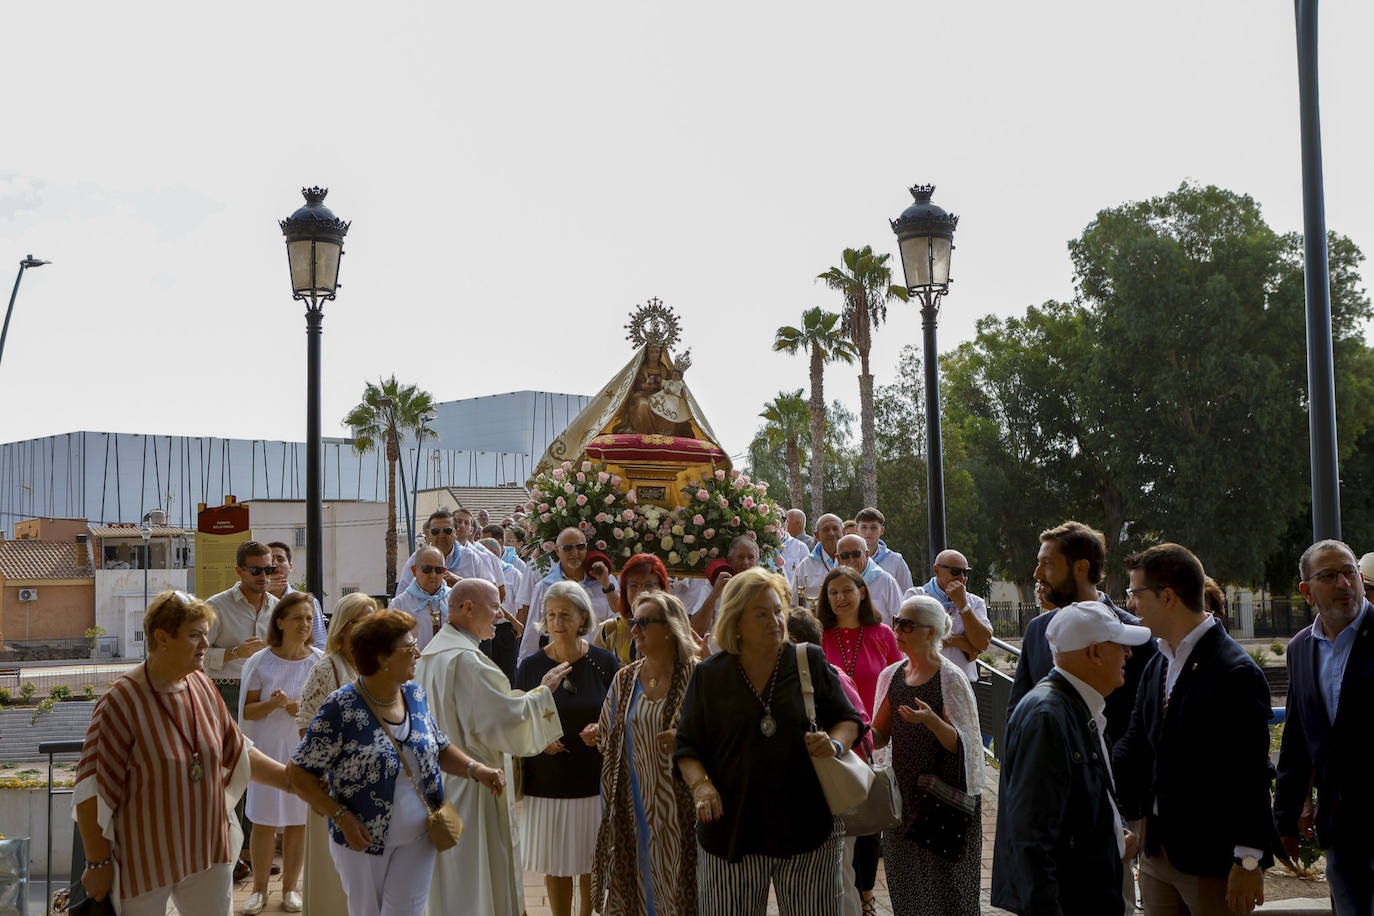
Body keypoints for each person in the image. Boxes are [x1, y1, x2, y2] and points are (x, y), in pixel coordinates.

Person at [73, 590, 294, 916]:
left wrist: (290, 779)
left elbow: (238, 751)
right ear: (162, 638)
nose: (206, 645)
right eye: (195, 636)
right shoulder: (121, 701)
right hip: (143, 859)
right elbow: (92, 789)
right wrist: (98, 863)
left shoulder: (203, 685)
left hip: (207, 851)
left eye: (205, 634)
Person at [288, 609, 505, 916]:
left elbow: (437, 745)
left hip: (420, 835)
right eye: (408, 648)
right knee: (368, 912)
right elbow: (298, 773)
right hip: (364, 840)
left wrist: (476, 770)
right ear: (382, 658)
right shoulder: (341, 707)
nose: (417, 652)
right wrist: (341, 817)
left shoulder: (414, 694)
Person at [674, 567, 864, 915]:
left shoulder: (808, 660)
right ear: (735, 621)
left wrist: (834, 744)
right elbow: (687, 747)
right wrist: (701, 785)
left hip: (807, 828)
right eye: (761, 614)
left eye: (778, 610)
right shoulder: (709, 675)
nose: (775, 621)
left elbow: (849, 720)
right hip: (730, 831)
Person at [1113, 543, 1274, 915]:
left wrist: (1248, 860)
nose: (1132, 604)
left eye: (1135, 593)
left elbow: (1251, 773)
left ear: (1167, 596)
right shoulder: (1158, 661)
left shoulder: (1235, 671)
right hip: (1157, 854)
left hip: (1212, 862)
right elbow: (1134, 746)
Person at [415, 578, 570, 916]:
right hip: (476, 782)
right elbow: (502, 720)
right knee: (478, 872)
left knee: (451, 875)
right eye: (494, 606)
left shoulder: (432, 654)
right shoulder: (468, 662)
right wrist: (543, 691)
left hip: (443, 780)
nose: (500, 614)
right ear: (468, 608)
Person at [991, 600, 1152, 915]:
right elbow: (1032, 841)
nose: (1128, 655)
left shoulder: (1075, 708)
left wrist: (1115, 830)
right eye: (1120, 646)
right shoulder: (1048, 717)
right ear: (1093, 653)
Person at [1277, 539, 1374, 915]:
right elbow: (1297, 739)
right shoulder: (1301, 648)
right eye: (1329, 576)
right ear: (1306, 591)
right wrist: (1285, 817)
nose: (1345, 584)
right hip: (1340, 833)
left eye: (1350, 573)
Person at [872, 595, 985, 915]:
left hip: (944, 800)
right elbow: (880, 736)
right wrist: (860, 729)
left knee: (947, 891)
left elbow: (963, 745)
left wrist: (932, 722)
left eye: (907, 624)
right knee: (907, 888)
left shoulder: (950, 678)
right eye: (897, 622)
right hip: (904, 800)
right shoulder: (892, 676)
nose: (898, 629)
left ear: (932, 632)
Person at [591, 590, 701, 915]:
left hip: (684, 811)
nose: (634, 630)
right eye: (632, 622)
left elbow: (721, 735)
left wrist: (687, 737)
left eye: (643, 623)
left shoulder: (698, 675)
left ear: (668, 628)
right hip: (634, 805)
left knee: (682, 887)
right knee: (638, 887)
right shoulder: (625, 679)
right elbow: (605, 737)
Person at [515, 581, 620, 916]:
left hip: (592, 779)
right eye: (551, 615)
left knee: (591, 862)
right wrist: (540, 739)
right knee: (556, 864)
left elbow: (621, 713)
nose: (557, 622)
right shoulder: (531, 666)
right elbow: (518, 717)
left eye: (565, 615)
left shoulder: (606, 662)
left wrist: (602, 730)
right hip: (547, 781)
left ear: (582, 618)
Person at [1009, 521, 1157, 749]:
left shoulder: (1135, 636)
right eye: (1038, 564)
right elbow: (1016, 712)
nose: (1037, 574)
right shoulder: (1037, 630)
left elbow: (1146, 728)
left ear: (1081, 568)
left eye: (1047, 564)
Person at [238, 592, 323, 913]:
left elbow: (325, 710)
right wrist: (273, 704)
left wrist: (299, 708)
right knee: (263, 822)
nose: (305, 624)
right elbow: (247, 712)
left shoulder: (318, 661)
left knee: (298, 821)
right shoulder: (261, 661)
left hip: (303, 752)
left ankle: (289, 889)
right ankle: (259, 890)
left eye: (309, 619)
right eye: (298, 617)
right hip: (267, 751)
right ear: (280, 622)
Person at [294, 593, 377, 916]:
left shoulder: (378, 665)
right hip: (335, 790)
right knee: (334, 880)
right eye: (361, 621)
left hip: (374, 787)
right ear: (343, 628)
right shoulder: (326, 668)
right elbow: (306, 729)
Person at [788, 606, 875, 916]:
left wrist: (835, 744)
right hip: (798, 800)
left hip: (833, 793)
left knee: (840, 876)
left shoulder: (831, 674)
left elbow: (863, 728)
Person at [204, 539, 278, 879]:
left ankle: (250, 854)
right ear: (239, 571)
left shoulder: (277, 607)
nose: (264, 575)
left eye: (269, 569)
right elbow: (196, 656)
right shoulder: (216, 607)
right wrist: (235, 653)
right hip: (226, 694)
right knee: (230, 773)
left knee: (258, 773)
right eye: (257, 570)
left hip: (263, 700)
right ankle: (228, 854)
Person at [519, 526, 618, 660]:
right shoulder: (544, 587)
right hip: (561, 663)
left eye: (580, 547)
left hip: (601, 663)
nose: (575, 553)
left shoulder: (606, 580)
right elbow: (532, 632)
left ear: (587, 548)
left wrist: (606, 585)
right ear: (557, 551)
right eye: (567, 548)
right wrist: (524, 669)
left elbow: (619, 618)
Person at [906, 548, 992, 681]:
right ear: (936, 570)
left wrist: (963, 605)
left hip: (963, 681)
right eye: (956, 571)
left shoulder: (975, 602)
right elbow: (912, 638)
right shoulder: (916, 596)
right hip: (923, 680)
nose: (961, 577)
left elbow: (983, 643)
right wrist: (959, 641)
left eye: (965, 572)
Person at [597, 552, 670, 663]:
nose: (640, 592)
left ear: (661, 588)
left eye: (648, 585)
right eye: (633, 585)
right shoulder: (609, 630)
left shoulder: (673, 628)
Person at [689, 535, 762, 636]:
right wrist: (715, 594)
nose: (746, 562)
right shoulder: (714, 585)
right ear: (730, 560)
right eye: (740, 557)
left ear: (757, 562)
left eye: (751, 557)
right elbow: (696, 630)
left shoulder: (764, 588)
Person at [266, 541, 327, 650]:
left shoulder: (309, 602)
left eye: (280, 559)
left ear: (290, 567)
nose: (275, 564)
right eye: (270, 561)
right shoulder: (255, 600)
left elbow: (320, 644)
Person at [389, 545, 450, 649]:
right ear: (414, 571)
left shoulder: (455, 599)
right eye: (427, 569)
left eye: (439, 570)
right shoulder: (399, 605)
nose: (433, 575)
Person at [835, 534, 902, 626]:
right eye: (845, 555)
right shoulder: (834, 585)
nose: (851, 559)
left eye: (856, 554)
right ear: (838, 559)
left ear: (867, 554)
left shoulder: (885, 581)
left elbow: (900, 619)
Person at [855, 507, 913, 593]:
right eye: (864, 527)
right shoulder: (847, 558)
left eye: (874, 527)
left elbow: (907, 593)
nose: (868, 532)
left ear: (882, 530)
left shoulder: (895, 560)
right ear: (856, 530)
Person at [792, 513, 844, 606]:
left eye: (835, 529)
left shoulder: (854, 559)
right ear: (817, 535)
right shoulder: (805, 566)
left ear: (843, 532)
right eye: (826, 529)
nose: (831, 533)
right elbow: (794, 602)